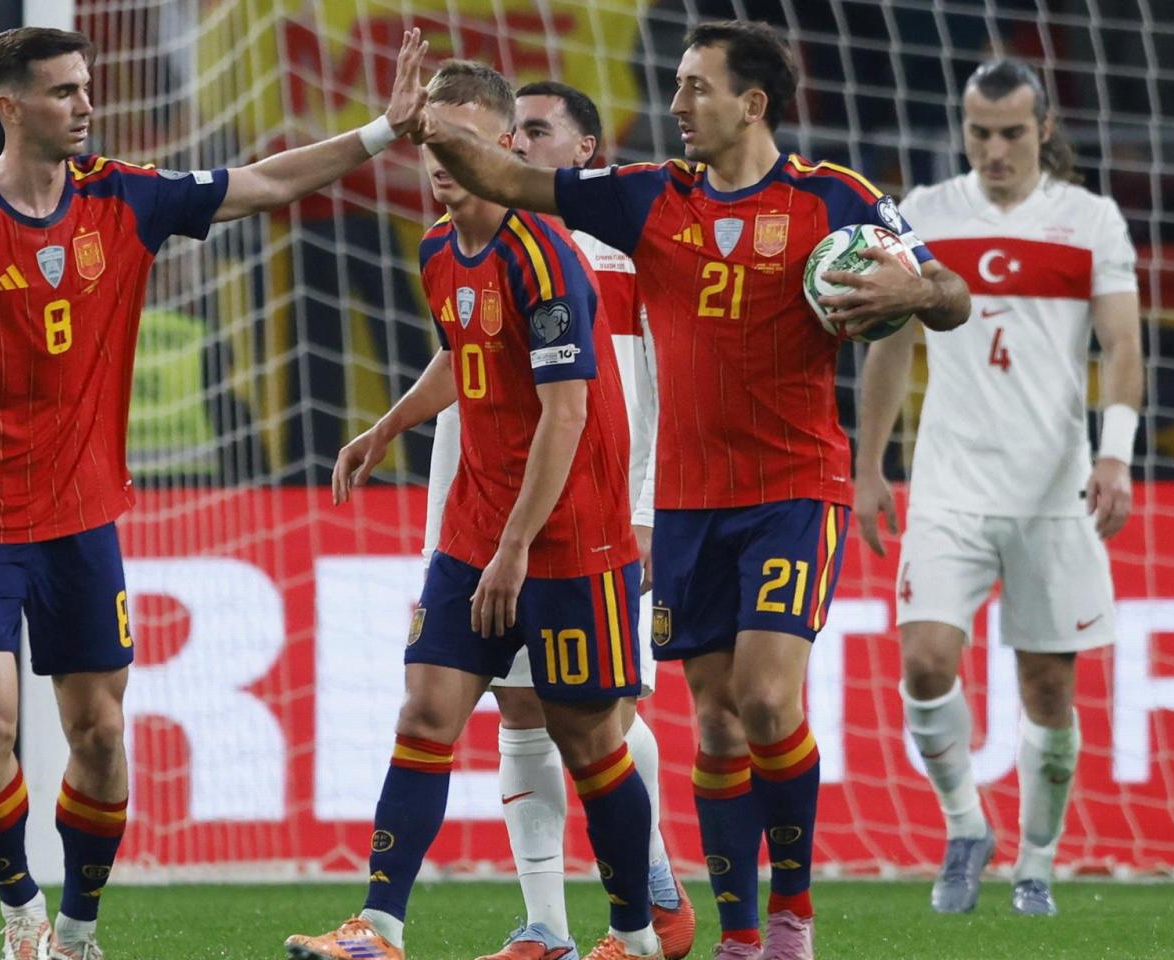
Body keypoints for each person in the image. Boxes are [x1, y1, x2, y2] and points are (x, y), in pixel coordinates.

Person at [0, 25, 429, 960]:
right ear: (10, 106)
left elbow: (261, 183)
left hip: (81, 519)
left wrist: (381, 131)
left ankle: (78, 933)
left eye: (86, 87)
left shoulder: (126, 198)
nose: (86, 104)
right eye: (63, 92)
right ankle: (19, 909)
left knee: (99, 735)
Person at [414, 19, 970, 960]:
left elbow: (950, 293)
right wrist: (419, 125)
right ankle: (740, 936)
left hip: (797, 487)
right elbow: (509, 178)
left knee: (765, 700)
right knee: (712, 722)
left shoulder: (833, 199)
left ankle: (791, 914)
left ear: (752, 104)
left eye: (695, 88)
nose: (675, 106)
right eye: (675, 86)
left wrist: (914, 295)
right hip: (685, 500)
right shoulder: (644, 201)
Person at [286, 60, 662, 960]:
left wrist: (517, 548)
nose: (438, 159)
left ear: (501, 147)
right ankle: (377, 928)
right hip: (474, 527)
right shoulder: (437, 249)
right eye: (427, 140)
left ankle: (638, 933)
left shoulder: (548, 255)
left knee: (586, 736)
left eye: (457, 140)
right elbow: (464, 356)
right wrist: (386, 426)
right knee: (425, 714)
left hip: (568, 538)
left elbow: (567, 411)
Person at [854, 59, 1143, 918]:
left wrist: (1116, 453)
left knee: (1048, 691)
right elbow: (889, 342)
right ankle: (964, 825)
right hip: (949, 485)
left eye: (1012, 132)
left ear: (1043, 128)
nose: (995, 149)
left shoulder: (1092, 219)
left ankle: (1037, 865)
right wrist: (869, 464)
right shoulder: (926, 212)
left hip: (1056, 492)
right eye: (980, 132)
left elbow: (1122, 346)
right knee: (925, 661)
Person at [419, 79, 693, 960]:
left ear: (583, 152)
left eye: (536, 133)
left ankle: (649, 884)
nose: (517, 148)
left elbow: (652, 394)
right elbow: (459, 364)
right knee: (515, 704)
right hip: (475, 494)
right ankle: (545, 924)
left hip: (592, 508)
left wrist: (645, 509)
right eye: (514, 133)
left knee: (595, 713)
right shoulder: (473, 242)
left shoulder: (622, 251)